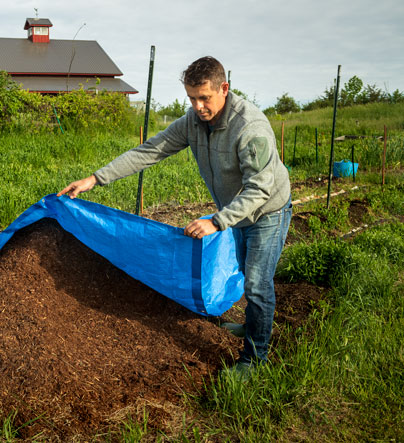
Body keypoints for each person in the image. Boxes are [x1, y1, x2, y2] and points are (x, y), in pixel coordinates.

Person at [57, 56, 292, 378]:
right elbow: (150, 150)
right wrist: (96, 178)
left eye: (204, 97)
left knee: (256, 282)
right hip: (239, 212)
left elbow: (260, 189)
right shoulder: (194, 122)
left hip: (267, 212)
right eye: (192, 98)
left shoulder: (250, 128)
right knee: (244, 269)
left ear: (224, 88)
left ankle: (255, 359)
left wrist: (217, 221)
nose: (197, 106)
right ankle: (253, 325)